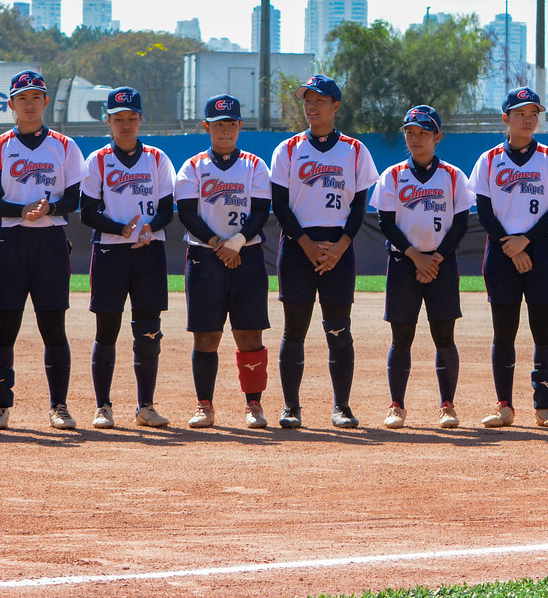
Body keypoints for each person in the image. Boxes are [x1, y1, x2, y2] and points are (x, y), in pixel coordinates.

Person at [0, 71, 87, 431]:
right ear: (11, 104)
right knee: (4, 326)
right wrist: (19, 210)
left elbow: (74, 197)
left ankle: (59, 406)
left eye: (35, 97)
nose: (29, 103)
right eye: (22, 98)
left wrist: (50, 210)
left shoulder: (65, 146)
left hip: (51, 241)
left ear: (45, 102)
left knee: (53, 326)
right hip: (9, 240)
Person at [269, 75, 379, 429]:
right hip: (299, 246)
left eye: (320, 99)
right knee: (294, 331)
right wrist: (306, 244)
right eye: (307, 99)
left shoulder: (355, 150)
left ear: (336, 106)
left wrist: (340, 248)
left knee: (338, 329)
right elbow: (280, 206)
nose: (312, 106)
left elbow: (360, 206)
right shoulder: (286, 150)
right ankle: (291, 407)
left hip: (338, 248)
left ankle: (342, 407)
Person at [470, 86, 548, 428]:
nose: (528, 119)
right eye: (520, 113)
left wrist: (524, 242)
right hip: (501, 253)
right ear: (506, 119)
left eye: (533, 114)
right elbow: (483, 212)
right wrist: (509, 244)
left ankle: (545, 406)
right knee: (504, 333)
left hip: (541, 249)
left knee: (543, 332)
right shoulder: (487, 159)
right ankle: (504, 406)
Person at [80, 87, 176, 430]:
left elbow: (168, 209)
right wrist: (120, 229)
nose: (125, 125)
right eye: (118, 119)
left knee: (149, 330)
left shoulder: (157, 158)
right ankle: (102, 406)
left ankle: (145, 406)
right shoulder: (97, 160)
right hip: (110, 252)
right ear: (108, 121)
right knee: (107, 330)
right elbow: (88, 213)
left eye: (131, 118)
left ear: (140, 120)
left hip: (149, 251)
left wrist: (150, 228)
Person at [175, 94, 273, 429]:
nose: (225, 130)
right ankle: (205, 405)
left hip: (247, 256)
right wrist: (219, 243)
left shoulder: (255, 165)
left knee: (249, 335)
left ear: (239, 126)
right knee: (206, 336)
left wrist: (237, 242)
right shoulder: (193, 166)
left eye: (231, 123)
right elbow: (187, 213)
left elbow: (261, 211)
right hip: (205, 256)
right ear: (207, 127)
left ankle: (254, 405)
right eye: (218, 124)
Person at [372, 105, 473, 429]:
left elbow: (459, 225)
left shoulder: (454, 176)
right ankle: (397, 406)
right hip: (405, 263)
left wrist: (435, 259)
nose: (416, 138)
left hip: (441, 264)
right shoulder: (393, 175)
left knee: (444, 336)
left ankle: (447, 406)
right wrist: (417, 257)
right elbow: (385, 222)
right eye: (410, 132)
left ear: (437, 137)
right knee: (401, 337)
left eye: (423, 132)